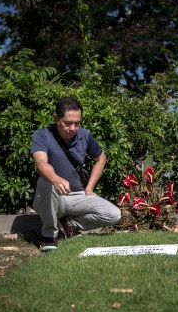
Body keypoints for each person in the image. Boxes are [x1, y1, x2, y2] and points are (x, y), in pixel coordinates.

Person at [30, 96, 121, 251]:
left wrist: (90, 189)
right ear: (56, 118)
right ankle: (49, 235)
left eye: (77, 123)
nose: (72, 128)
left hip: (77, 196)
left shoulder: (84, 135)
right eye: (67, 123)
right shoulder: (42, 135)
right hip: (51, 198)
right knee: (46, 181)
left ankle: (68, 225)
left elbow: (101, 158)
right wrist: (55, 179)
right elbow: (40, 164)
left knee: (113, 214)